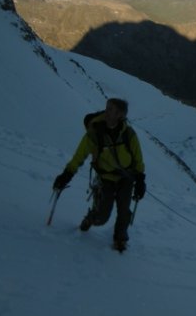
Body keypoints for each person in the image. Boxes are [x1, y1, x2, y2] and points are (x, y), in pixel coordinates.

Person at [53, 98, 146, 252]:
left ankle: (120, 239)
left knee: (124, 211)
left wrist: (140, 180)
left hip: (126, 178)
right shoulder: (95, 133)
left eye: (111, 110)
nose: (106, 112)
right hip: (105, 179)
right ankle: (91, 218)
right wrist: (66, 174)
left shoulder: (128, 135)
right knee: (102, 217)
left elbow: (138, 159)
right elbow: (79, 156)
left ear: (120, 115)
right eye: (107, 108)